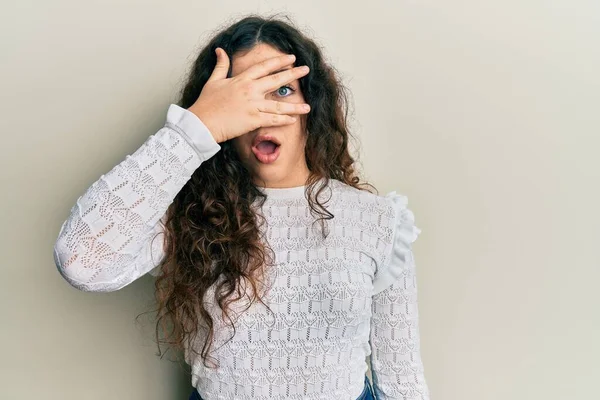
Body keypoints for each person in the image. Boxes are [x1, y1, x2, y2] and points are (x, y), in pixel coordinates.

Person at [53, 13, 430, 400]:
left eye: (281, 90)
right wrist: (194, 129)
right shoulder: (188, 215)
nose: (262, 113)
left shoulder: (377, 219)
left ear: (310, 104)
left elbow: (402, 380)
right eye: (242, 96)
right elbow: (82, 262)